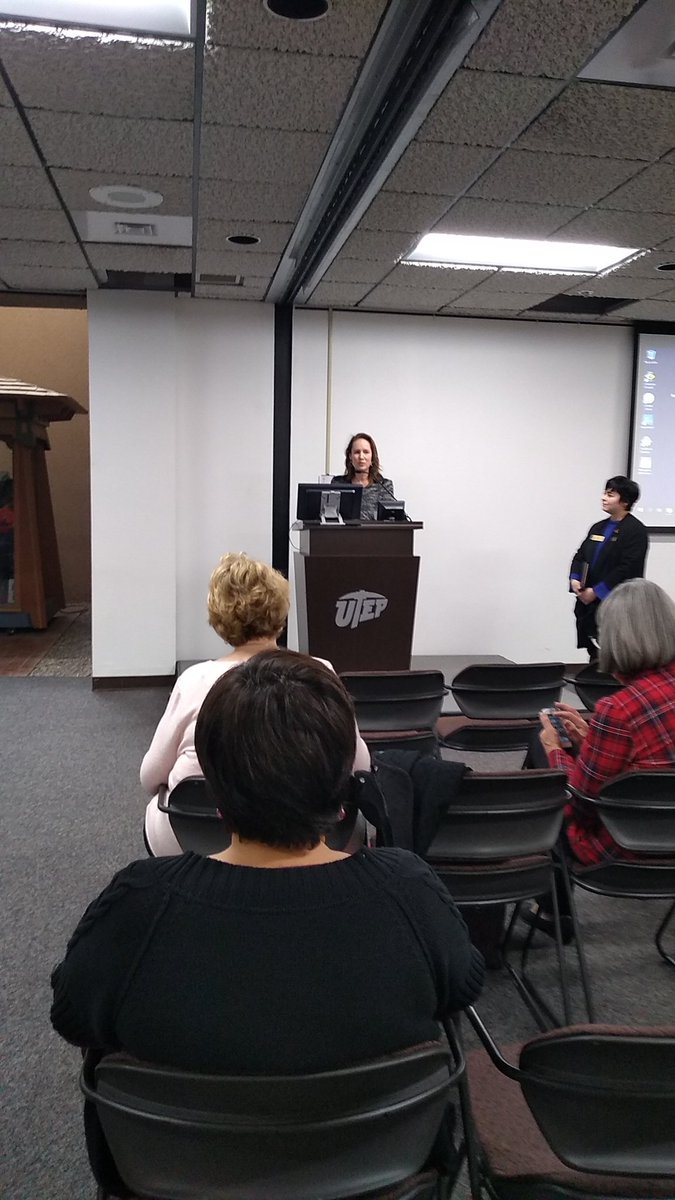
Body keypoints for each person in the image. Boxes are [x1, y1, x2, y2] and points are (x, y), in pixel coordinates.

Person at [51, 650, 484, 1197]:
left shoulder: (137, 908)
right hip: (377, 1178)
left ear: (214, 793)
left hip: (174, 1178)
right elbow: (464, 985)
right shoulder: (410, 892)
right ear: (344, 791)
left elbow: (70, 1013)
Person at [141, 552, 370, 854]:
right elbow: (361, 766)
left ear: (219, 617)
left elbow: (150, 777)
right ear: (280, 610)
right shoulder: (320, 671)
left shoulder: (194, 680)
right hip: (310, 839)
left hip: (197, 836)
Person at [540, 579, 675, 866]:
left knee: (546, 793)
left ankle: (555, 909)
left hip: (628, 843)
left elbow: (582, 803)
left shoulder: (619, 710)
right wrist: (592, 738)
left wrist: (554, 750)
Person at [570, 476, 648, 661]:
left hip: (617, 602)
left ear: (625, 501)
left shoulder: (635, 530)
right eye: (605, 493)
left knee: (616, 653)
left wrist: (597, 591)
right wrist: (575, 578)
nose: (604, 498)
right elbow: (581, 556)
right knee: (595, 653)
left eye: (610, 495)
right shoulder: (598, 527)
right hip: (589, 601)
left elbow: (628, 568)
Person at [332, 432, 396, 521]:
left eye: (366, 452)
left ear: (372, 457)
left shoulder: (384, 485)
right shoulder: (338, 483)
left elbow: (390, 518)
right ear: (350, 456)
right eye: (357, 452)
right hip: (344, 534)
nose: (361, 457)